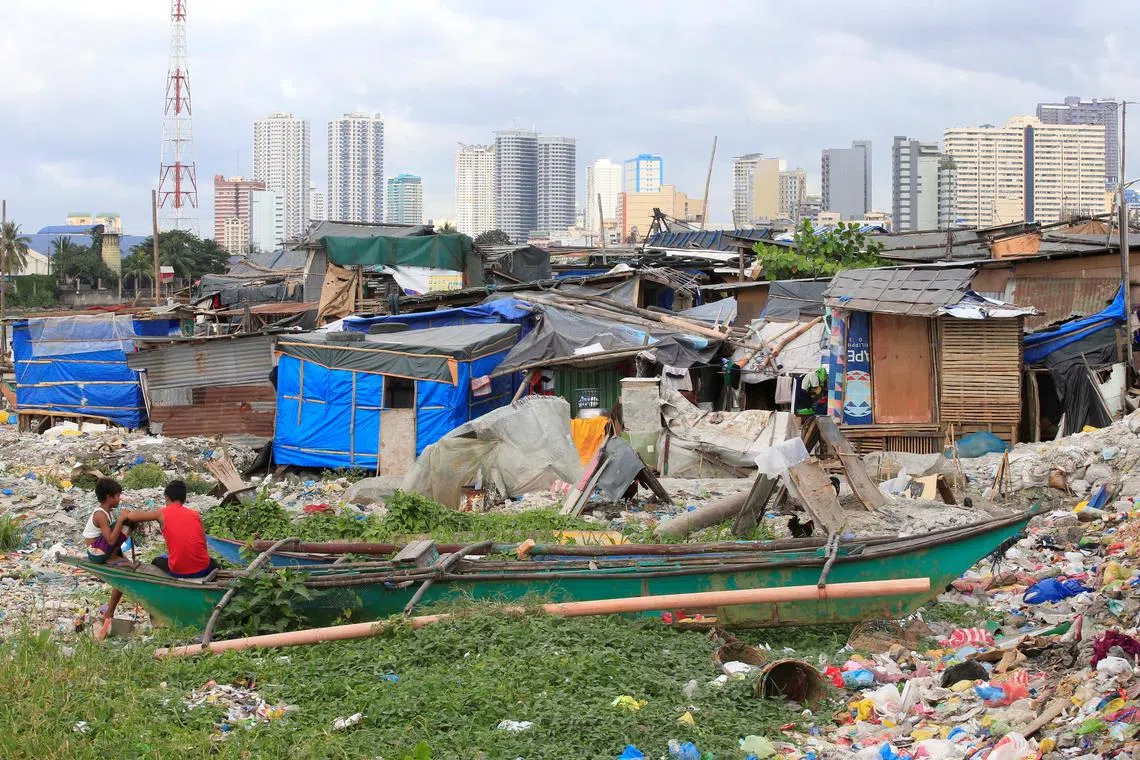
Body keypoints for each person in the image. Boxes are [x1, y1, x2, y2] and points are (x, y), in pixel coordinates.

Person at [123, 480, 218, 580]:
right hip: (203, 569)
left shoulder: (161, 514)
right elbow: (203, 542)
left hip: (179, 572)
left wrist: (127, 513)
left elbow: (132, 516)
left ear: (167, 497)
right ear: (184, 499)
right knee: (212, 562)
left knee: (157, 561)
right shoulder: (195, 515)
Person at [83, 477, 130, 640]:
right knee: (124, 523)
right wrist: (122, 520)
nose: (119, 499)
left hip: (103, 550)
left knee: (126, 523)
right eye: (117, 495)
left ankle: (109, 612)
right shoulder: (101, 515)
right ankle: (112, 557)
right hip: (96, 552)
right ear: (109, 497)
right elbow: (110, 539)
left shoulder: (107, 513)